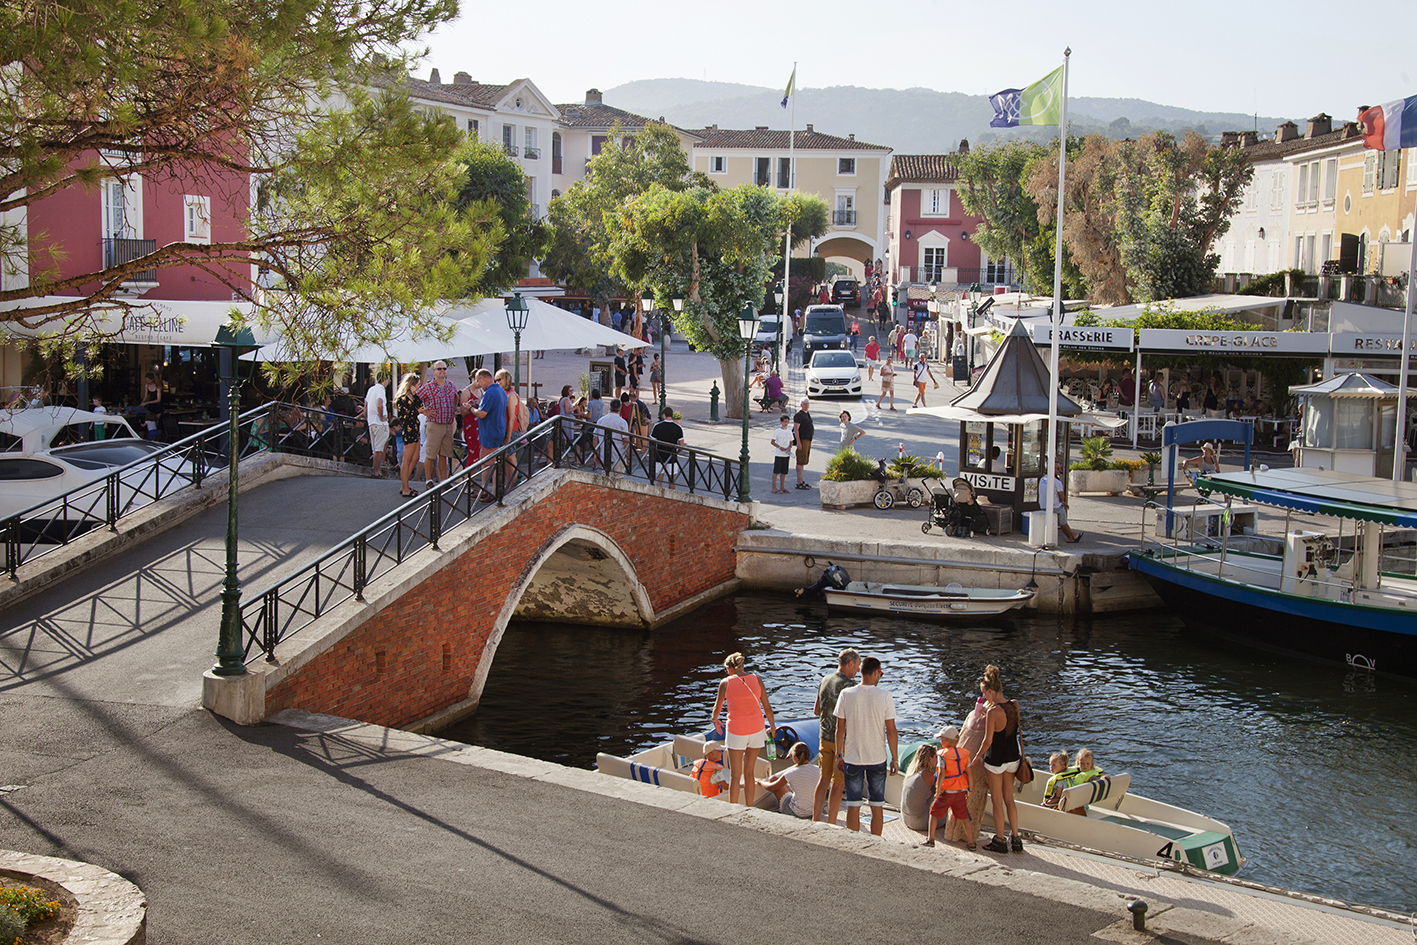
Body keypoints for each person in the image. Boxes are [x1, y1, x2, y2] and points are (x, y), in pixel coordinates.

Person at [834, 655, 898, 836]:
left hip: (853, 757)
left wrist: (839, 755)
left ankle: (854, 843)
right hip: (877, 758)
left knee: (853, 805)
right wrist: (895, 759)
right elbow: (891, 731)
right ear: (876, 673)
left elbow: (840, 728)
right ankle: (875, 843)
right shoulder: (885, 696)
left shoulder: (846, 694)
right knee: (877, 805)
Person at [709, 652, 775, 807]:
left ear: (730, 669)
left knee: (735, 775)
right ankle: (749, 807)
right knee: (750, 772)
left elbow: (717, 708)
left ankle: (733, 809)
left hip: (737, 730)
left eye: (726, 670)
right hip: (757, 728)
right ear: (742, 666)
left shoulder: (725, 683)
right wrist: (772, 727)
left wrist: (714, 719)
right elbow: (767, 707)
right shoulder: (757, 679)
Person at [978, 664, 1024, 854]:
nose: (984, 696)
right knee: (1009, 799)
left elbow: (988, 741)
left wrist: (977, 757)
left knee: (997, 800)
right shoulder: (1015, 705)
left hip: (996, 760)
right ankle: (1016, 838)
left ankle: (999, 840)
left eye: (984, 693)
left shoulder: (992, 712)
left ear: (990, 691)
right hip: (1013, 758)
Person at [809, 649, 859, 824]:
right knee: (838, 784)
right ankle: (831, 823)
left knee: (823, 780)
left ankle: (815, 818)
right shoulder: (850, 686)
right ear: (850, 664)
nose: (858, 670)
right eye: (857, 666)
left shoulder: (824, 680)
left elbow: (816, 710)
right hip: (841, 743)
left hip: (824, 737)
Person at [927, 725, 976, 849]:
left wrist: (938, 790)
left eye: (941, 739)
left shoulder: (943, 755)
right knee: (964, 817)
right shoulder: (964, 755)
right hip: (960, 792)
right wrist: (970, 789)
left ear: (946, 740)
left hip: (947, 792)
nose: (940, 741)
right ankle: (972, 842)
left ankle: (930, 839)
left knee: (933, 813)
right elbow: (969, 773)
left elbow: (942, 773)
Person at [467, 368, 506, 501]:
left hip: (491, 433)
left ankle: (494, 492)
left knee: (492, 463)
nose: (478, 384)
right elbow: (488, 408)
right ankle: (484, 490)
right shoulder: (500, 390)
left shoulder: (490, 392)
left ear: (483, 378)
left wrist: (470, 408)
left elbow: (482, 413)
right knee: (485, 462)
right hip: (496, 431)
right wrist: (477, 404)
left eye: (478, 381)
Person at [417, 361, 459, 485]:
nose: (442, 371)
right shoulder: (427, 387)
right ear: (434, 371)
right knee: (430, 454)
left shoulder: (451, 385)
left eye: (444, 368)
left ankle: (443, 481)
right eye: (439, 369)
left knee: (444, 454)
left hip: (447, 424)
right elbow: (414, 401)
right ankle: (429, 480)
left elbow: (455, 399)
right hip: (434, 424)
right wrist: (423, 411)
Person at [755, 742, 819, 818]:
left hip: (796, 812)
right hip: (814, 811)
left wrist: (760, 781)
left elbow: (771, 787)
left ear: (794, 757)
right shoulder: (818, 770)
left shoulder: (791, 772)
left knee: (773, 779)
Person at [1038, 460, 1082, 543]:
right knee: (1063, 522)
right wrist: (1064, 503)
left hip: (1043, 506)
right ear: (1052, 469)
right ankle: (1070, 537)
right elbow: (1062, 496)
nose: (1060, 470)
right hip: (1054, 506)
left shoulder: (1042, 479)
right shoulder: (1056, 482)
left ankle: (1073, 534)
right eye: (1058, 468)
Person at [393, 373, 422, 497]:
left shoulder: (412, 396)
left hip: (415, 428)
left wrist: (415, 395)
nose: (419, 386)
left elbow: (419, 405)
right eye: (417, 384)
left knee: (415, 458)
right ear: (411, 384)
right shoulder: (402, 399)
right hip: (409, 430)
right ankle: (405, 488)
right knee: (407, 459)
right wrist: (418, 411)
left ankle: (404, 484)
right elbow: (406, 415)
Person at [900, 743, 937, 834]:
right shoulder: (929, 776)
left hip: (906, 819)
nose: (937, 760)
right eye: (936, 757)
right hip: (919, 822)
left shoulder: (912, 772)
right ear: (930, 758)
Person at [650, 406, 684, 489]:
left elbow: (652, 441)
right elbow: (681, 446)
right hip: (672, 457)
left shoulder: (657, 426)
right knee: (672, 481)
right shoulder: (678, 428)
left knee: (659, 481)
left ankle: (658, 496)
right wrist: (676, 452)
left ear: (664, 415)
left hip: (659, 456)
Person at [594, 395, 630, 472]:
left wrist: (596, 453)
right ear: (620, 409)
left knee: (606, 476)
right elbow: (626, 441)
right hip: (618, 455)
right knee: (619, 476)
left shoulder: (601, 420)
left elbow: (595, 438)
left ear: (610, 408)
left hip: (604, 455)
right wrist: (629, 456)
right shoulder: (622, 422)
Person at [365, 371, 390, 479]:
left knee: (375, 448)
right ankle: (375, 471)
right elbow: (379, 404)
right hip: (379, 423)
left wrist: (366, 417)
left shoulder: (371, 389)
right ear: (385, 380)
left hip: (371, 422)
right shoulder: (380, 390)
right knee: (379, 448)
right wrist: (381, 417)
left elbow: (366, 406)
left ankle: (376, 470)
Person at [792, 398, 813, 490]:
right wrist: (799, 442)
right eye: (804, 404)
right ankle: (799, 482)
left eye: (807, 404)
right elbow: (796, 429)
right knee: (800, 461)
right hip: (802, 440)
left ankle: (802, 481)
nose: (806, 406)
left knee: (804, 461)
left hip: (808, 439)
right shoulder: (799, 415)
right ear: (801, 405)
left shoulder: (807, 413)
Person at [769, 414, 794, 494]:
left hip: (786, 454)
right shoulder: (777, 431)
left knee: (784, 471)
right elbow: (772, 441)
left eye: (787, 422)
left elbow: (791, 441)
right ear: (781, 422)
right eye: (784, 421)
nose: (786, 423)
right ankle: (774, 487)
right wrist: (779, 447)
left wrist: (789, 447)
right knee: (776, 471)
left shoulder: (789, 431)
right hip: (779, 454)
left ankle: (782, 487)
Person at [140, 373, 162, 440]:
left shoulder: (158, 386)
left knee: (156, 423)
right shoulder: (147, 385)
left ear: (152, 379)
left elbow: (158, 399)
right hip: (150, 406)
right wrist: (142, 402)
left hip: (157, 406)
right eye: (146, 380)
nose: (147, 382)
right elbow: (146, 396)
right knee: (149, 420)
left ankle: (156, 438)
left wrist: (147, 402)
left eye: (148, 380)